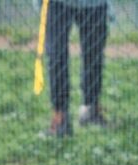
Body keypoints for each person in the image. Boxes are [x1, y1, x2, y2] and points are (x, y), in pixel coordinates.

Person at [38, 0, 112, 136]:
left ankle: (91, 109)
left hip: (93, 3)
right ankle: (60, 117)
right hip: (56, 3)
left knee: (94, 52)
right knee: (56, 55)